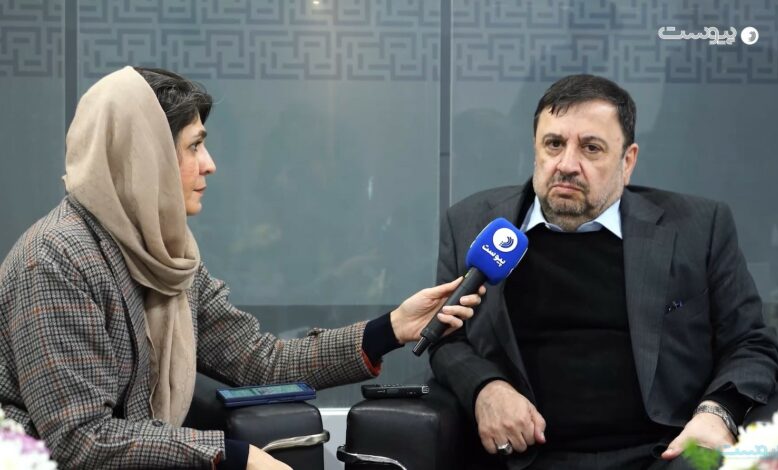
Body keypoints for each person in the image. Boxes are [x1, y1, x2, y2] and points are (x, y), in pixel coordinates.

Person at [0, 66, 483, 470]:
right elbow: (80, 440)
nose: (209, 164)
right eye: (194, 146)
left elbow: (260, 361)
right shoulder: (56, 259)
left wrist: (391, 328)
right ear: (144, 158)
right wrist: (232, 456)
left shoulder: (168, 255)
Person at [429, 74, 778, 470]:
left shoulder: (697, 228)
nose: (567, 165)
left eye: (591, 148)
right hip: (525, 458)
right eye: (554, 144)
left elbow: (751, 343)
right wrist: (485, 388)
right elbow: (445, 338)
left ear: (627, 161)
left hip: (664, 454)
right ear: (535, 148)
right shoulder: (474, 224)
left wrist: (717, 413)